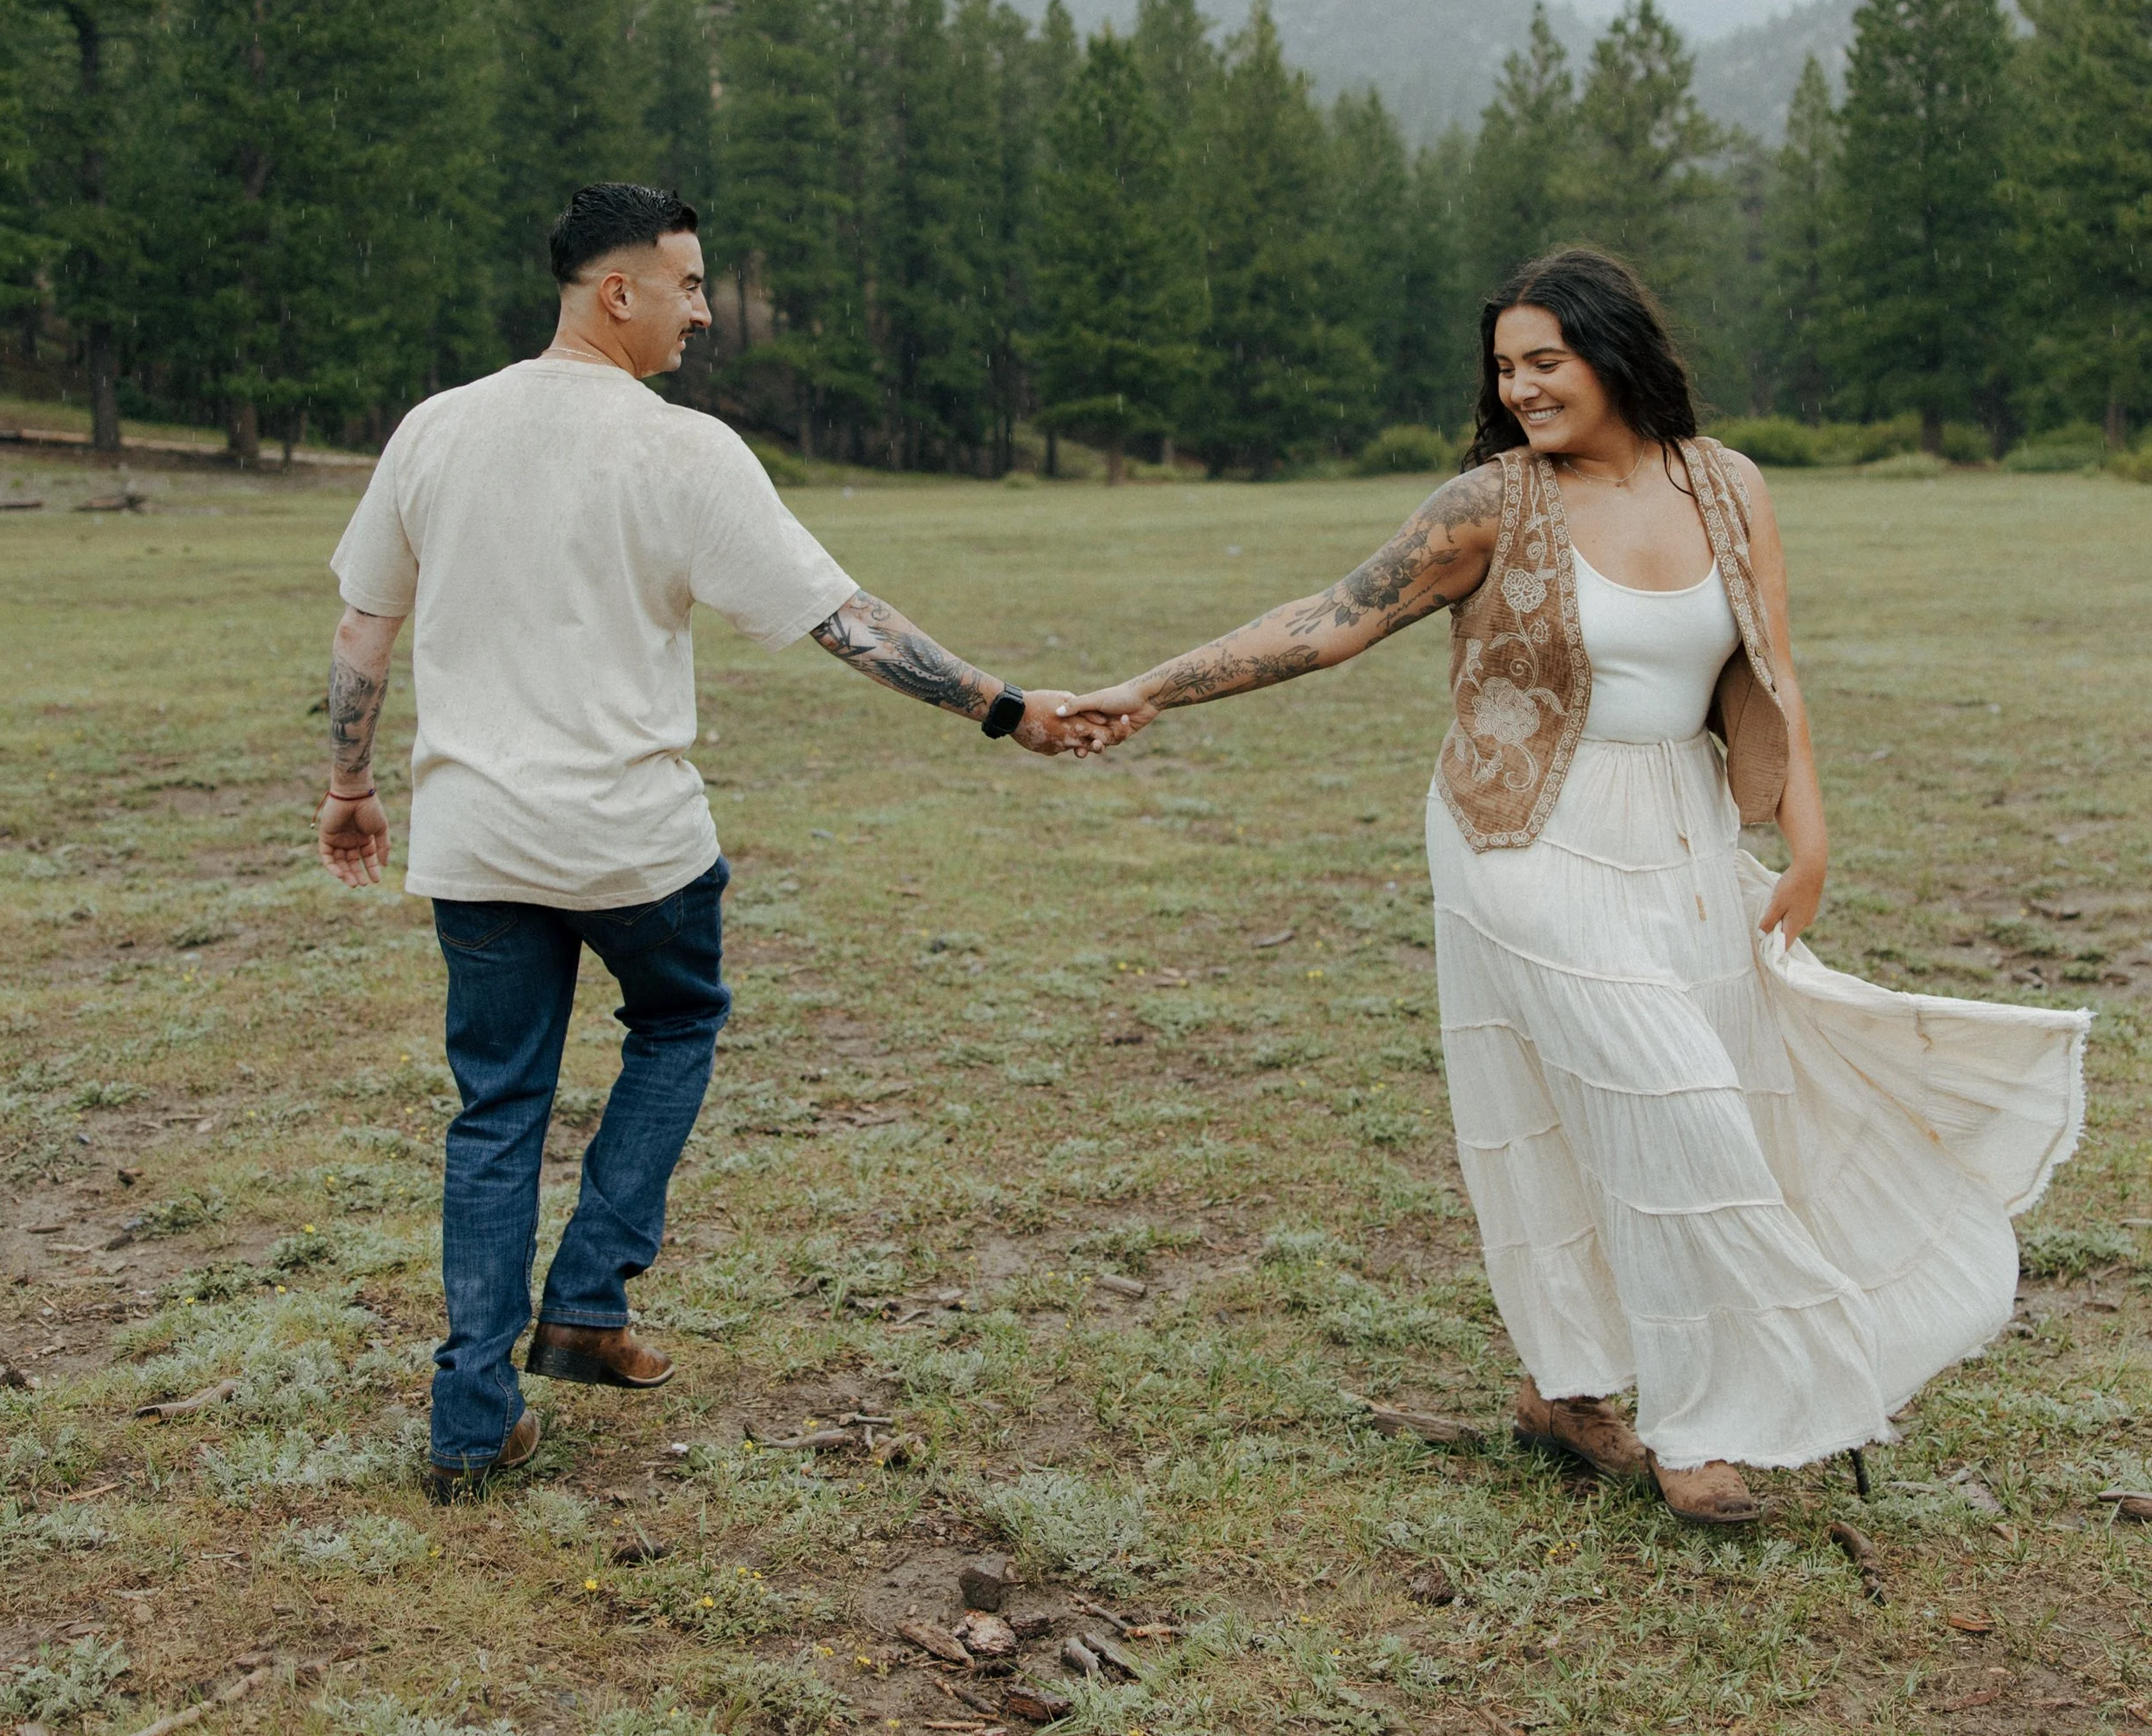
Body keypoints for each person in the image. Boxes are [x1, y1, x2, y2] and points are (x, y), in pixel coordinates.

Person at [1065, 246, 2087, 1525]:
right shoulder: (1488, 504)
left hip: (1680, 823)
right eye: (1506, 367)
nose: (1524, 386)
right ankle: (1701, 1424)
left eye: (1545, 359)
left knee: (1600, 1109)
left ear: (1614, 349)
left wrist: (1807, 840)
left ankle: (1562, 1386)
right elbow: (1332, 617)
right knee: (1677, 1103)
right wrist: (1151, 687)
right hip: (1520, 830)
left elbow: (1773, 662)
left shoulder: (1730, 485)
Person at [316, 183, 1114, 1501]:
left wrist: (349, 780)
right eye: (687, 284)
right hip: (635, 840)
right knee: (678, 1020)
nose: (703, 309)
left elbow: (363, 630)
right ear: (613, 291)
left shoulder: (436, 429)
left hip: (477, 839)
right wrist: (1004, 708)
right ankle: (586, 1295)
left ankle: (473, 1416)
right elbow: (840, 619)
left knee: (496, 1106)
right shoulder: (682, 450)